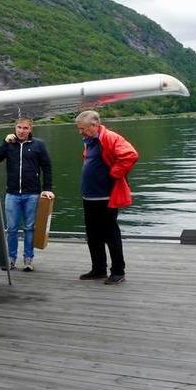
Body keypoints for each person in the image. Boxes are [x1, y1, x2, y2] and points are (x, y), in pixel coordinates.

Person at [75, 110, 139, 285]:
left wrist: (113, 174)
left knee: (111, 234)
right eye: (79, 128)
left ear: (94, 126)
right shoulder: (90, 141)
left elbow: (130, 155)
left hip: (105, 197)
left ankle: (118, 271)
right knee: (93, 235)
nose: (80, 132)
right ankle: (99, 269)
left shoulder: (109, 137)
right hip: (90, 197)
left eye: (82, 128)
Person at [0, 117, 54, 272]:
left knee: (30, 228)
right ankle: (11, 259)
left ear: (30, 129)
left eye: (25, 128)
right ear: (15, 128)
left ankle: (28, 259)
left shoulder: (38, 145)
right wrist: (4, 143)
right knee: (11, 228)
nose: (22, 131)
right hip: (12, 194)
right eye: (19, 127)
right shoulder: (9, 144)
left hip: (32, 193)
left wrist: (47, 188)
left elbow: (47, 167)